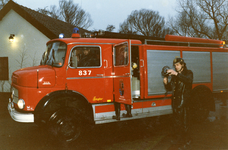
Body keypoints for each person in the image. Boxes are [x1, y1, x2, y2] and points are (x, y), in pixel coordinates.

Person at [163, 57, 193, 149]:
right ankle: (178, 141)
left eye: (177, 65)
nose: (176, 67)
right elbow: (170, 89)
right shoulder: (174, 76)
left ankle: (187, 141)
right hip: (176, 103)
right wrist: (166, 83)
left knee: (184, 123)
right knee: (176, 123)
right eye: (175, 65)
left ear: (182, 65)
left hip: (184, 102)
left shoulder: (188, 73)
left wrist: (176, 74)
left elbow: (188, 80)